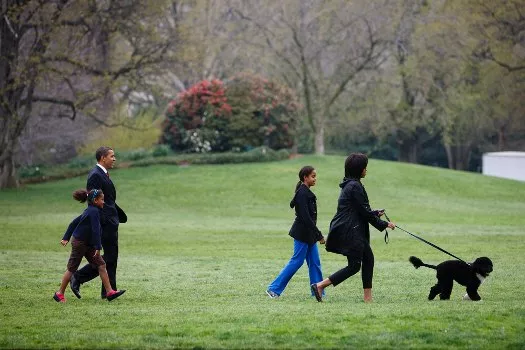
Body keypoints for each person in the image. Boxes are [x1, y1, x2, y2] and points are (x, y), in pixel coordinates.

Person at [311, 153, 395, 303]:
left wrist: (375, 213)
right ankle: (320, 285)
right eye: (365, 167)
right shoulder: (354, 186)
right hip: (351, 231)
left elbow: (359, 209)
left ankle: (368, 298)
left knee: (368, 259)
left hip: (352, 228)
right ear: (359, 169)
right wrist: (385, 224)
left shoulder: (350, 184)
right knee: (355, 266)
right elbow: (363, 212)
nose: (366, 170)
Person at [70, 146, 127, 299]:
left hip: (111, 221)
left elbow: (108, 199)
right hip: (105, 222)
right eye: (112, 156)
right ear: (103, 158)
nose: (114, 159)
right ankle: (78, 277)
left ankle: (108, 291)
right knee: (108, 257)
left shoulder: (103, 174)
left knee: (111, 257)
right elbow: (94, 201)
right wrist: (104, 220)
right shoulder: (95, 175)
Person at [53, 189, 125, 303]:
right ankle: (59, 294)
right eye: (102, 200)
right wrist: (97, 246)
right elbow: (95, 230)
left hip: (88, 243)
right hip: (80, 243)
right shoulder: (93, 212)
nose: (103, 202)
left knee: (101, 265)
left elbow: (74, 223)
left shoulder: (92, 210)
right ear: (95, 200)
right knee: (72, 268)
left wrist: (66, 237)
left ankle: (110, 292)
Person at [266, 165, 326, 298]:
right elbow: (306, 218)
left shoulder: (304, 192)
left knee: (315, 263)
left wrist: (315, 234)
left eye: (315, 176)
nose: (315, 179)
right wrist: (319, 235)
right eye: (313, 176)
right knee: (297, 261)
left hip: (309, 234)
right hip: (302, 234)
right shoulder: (302, 193)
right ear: (305, 178)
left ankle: (318, 290)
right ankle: (273, 289)